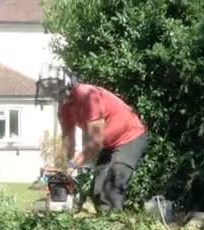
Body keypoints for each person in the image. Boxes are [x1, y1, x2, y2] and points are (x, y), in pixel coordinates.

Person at [36, 64, 148, 211]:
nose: (53, 92)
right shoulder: (64, 109)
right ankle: (102, 229)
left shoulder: (88, 96)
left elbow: (95, 143)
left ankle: (116, 229)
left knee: (111, 189)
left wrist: (73, 165)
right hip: (109, 144)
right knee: (97, 191)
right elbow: (68, 140)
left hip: (131, 137)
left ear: (67, 83)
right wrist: (67, 164)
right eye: (48, 88)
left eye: (55, 87)